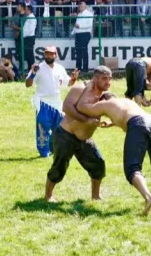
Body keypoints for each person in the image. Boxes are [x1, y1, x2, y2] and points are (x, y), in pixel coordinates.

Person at [76, 86, 151, 215]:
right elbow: (131, 114)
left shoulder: (104, 103)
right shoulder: (126, 101)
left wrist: (86, 90)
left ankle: (148, 198)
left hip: (138, 125)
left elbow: (83, 108)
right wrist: (113, 123)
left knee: (132, 168)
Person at [43, 66, 108, 202]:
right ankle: (48, 196)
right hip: (66, 135)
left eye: (110, 79)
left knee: (98, 164)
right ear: (95, 79)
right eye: (104, 78)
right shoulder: (80, 88)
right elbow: (66, 107)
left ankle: (95, 196)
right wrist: (86, 120)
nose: (108, 82)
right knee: (59, 167)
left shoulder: (104, 95)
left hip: (84, 139)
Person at [26, 46, 79, 157]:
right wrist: (32, 74)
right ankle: (44, 152)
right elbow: (28, 84)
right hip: (43, 103)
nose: (49, 56)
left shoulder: (60, 68)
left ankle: (54, 148)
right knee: (43, 128)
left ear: (56, 55)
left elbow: (68, 83)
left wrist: (74, 78)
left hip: (57, 104)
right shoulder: (38, 68)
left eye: (51, 54)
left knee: (58, 129)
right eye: (47, 54)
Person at [71, 2, 94, 72]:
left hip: (85, 34)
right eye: (79, 6)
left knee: (84, 51)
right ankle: (78, 68)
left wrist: (80, 26)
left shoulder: (89, 14)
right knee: (78, 52)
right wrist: (72, 33)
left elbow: (90, 25)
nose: (80, 7)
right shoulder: (79, 14)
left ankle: (85, 68)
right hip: (78, 34)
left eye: (82, 6)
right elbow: (76, 25)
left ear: (85, 7)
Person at [16, 4, 37, 72]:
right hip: (27, 37)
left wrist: (24, 35)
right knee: (28, 54)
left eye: (26, 9)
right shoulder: (29, 17)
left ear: (29, 10)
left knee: (30, 54)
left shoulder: (32, 18)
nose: (25, 11)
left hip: (29, 38)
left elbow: (30, 29)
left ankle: (32, 69)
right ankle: (30, 68)